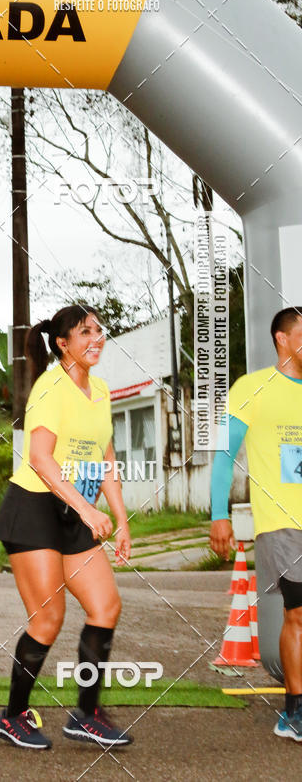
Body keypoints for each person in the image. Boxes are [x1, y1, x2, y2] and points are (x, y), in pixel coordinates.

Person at [0, 305, 132, 749]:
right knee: (49, 618)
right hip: (33, 509)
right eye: (83, 332)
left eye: (98, 330)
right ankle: (13, 716)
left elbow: (105, 460)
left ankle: (86, 715)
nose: (95, 338)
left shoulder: (102, 390)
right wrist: (90, 512)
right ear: (62, 343)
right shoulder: (50, 387)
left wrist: (121, 518)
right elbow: (40, 458)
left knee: (106, 606)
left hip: (73, 512)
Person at [210, 306, 302, 742]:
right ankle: (294, 711)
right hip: (281, 524)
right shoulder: (253, 388)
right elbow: (225, 455)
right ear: (282, 339)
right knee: (298, 613)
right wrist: (219, 515)